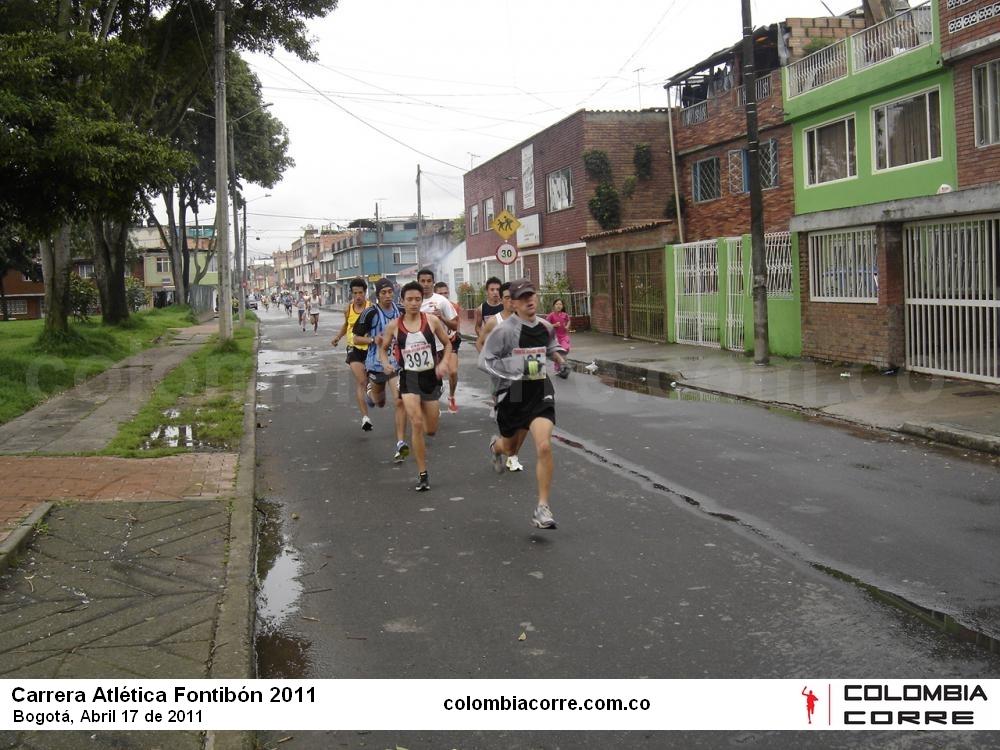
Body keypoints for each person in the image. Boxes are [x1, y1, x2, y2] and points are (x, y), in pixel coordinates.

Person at [479, 279, 569, 529]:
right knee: (509, 448)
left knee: (543, 446)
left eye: (533, 295)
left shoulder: (545, 326)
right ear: (514, 303)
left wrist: (558, 357)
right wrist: (510, 371)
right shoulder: (504, 330)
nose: (530, 300)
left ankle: (542, 508)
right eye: (523, 297)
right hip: (513, 394)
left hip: (539, 389)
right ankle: (496, 447)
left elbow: (550, 345)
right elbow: (484, 361)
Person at [378, 281, 452, 491]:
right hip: (409, 378)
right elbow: (383, 349)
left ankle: (425, 421)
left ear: (422, 300)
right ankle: (423, 474)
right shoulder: (394, 325)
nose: (413, 303)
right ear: (402, 301)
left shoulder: (432, 321)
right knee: (416, 423)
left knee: (431, 429)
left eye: (417, 299)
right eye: (409, 299)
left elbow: (447, 344)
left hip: (430, 378)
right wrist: (385, 364)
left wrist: (445, 362)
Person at [353, 278, 409, 462]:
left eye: (389, 292)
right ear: (377, 295)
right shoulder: (370, 313)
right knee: (379, 402)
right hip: (376, 363)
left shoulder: (401, 310)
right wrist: (372, 340)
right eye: (383, 293)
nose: (387, 296)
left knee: (400, 400)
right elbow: (356, 339)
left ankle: (400, 444)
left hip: (396, 363)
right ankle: (371, 392)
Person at [474, 282, 525, 472]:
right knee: (512, 423)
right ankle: (498, 447)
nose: (512, 302)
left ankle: (513, 456)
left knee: (524, 420)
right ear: (503, 300)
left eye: (515, 298)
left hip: (523, 377)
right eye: (507, 298)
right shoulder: (495, 322)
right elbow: (480, 343)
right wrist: (492, 365)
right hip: (502, 380)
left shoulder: (525, 319)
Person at [332, 278, 374, 431]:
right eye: (355, 293)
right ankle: (365, 418)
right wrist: (338, 337)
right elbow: (346, 325)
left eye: (360, 293)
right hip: (353, 348)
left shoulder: (372, 308)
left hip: (370, 348)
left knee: (370, 383)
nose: (358, 296)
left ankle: (371, 392)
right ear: (352, 293)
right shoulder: (348, 309)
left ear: (365, 292)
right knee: (362, 381)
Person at [416, 268, 459, 412]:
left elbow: (455, 324)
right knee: (422, 381)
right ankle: (431, 400)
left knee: (437, 377)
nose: (426, 284)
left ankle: (437, 396)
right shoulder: (413, 301)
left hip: (438, 347)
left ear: (433, 283)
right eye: (423, 281)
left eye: (429, 281)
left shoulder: (442, 301)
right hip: (419, 348)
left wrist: (442, 317)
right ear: (418, 282)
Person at [434, 281, 463, 413]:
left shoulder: (454, 306)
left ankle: (451, 396)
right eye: (440, 293)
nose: (444, 296)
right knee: (435, 376)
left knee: (453, 371)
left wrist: (444, 318)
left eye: (446, 293)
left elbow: (456, 325)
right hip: (435, 344)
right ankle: (434, 402)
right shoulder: (430, 306)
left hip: (451, 341)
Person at [547, 298, 573, 372]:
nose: (559, 306)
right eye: (557, 304)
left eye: (560, 304)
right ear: (554, 306)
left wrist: (567, 326)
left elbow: (568, 321)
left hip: (564, 336)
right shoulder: (551, 315)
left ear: (562, 306)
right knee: (559, 352)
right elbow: (546, 324)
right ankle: (559, 367)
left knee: (565, 349)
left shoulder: (565, 315)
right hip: (555, 338)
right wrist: (554, 325)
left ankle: (561, 364)